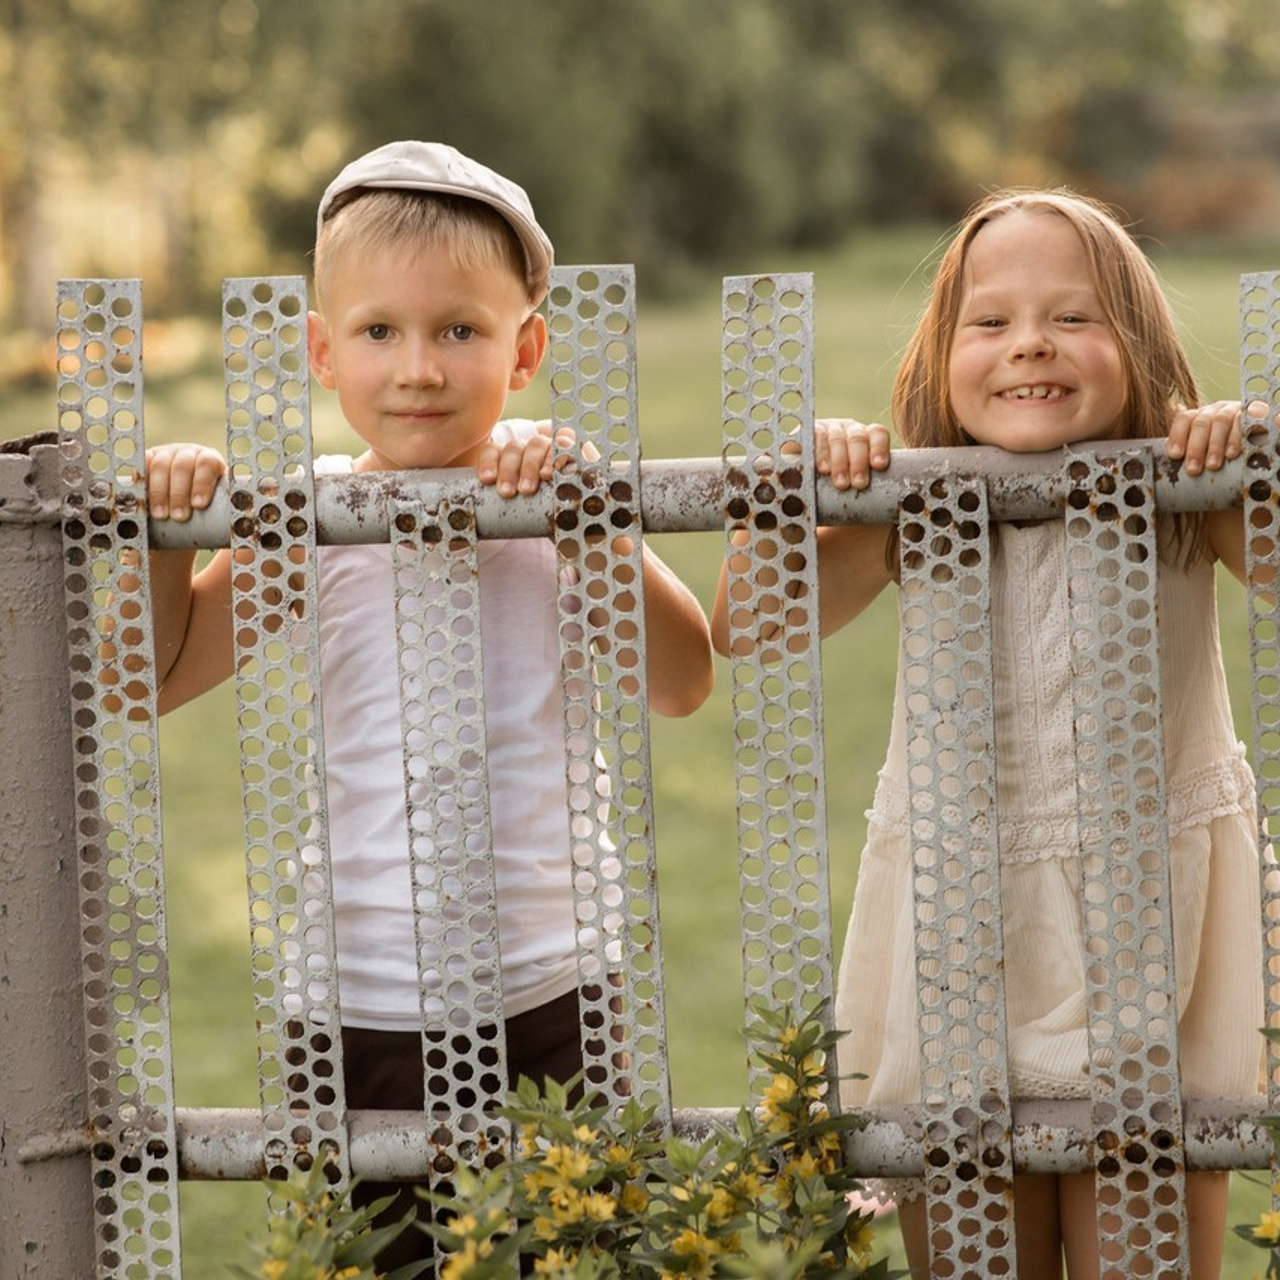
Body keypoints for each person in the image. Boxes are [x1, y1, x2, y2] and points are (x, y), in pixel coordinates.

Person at [146, 140, 715, 1264]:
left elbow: (683, 680)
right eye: (378, 332)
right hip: (357, 998)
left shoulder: (551, 494)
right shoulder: (310, 521)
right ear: (322, 351)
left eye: (459, 330)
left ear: (524, 351)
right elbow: (146, 680)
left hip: (550, 983)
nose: (417, 369)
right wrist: (169, 537)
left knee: (574, 1253)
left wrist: (591, 525)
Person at [711, 188, 1262, 1279]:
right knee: (975, 1246)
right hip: (960, 929)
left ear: (1139, 348)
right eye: (991, 321)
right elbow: (750, 624)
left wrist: (1256, 463)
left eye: (1072, 316)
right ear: (940, 358)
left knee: (1140, 1235)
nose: (1029, 344)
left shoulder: (1184, 492)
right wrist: (794, 492)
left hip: (1151, 924)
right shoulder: (918, 502)